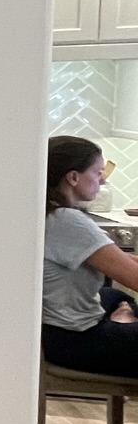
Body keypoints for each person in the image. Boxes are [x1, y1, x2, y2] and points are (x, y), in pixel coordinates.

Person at [42, 135, 138, 372]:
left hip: (53, 333)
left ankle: (123, 316)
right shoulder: (67, 220)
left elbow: (121, 260)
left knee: (115, 297)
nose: (103, 180)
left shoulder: (51, 213)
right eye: (97, 173)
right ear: (73, 177)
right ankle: (122, 321)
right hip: (75, 340)